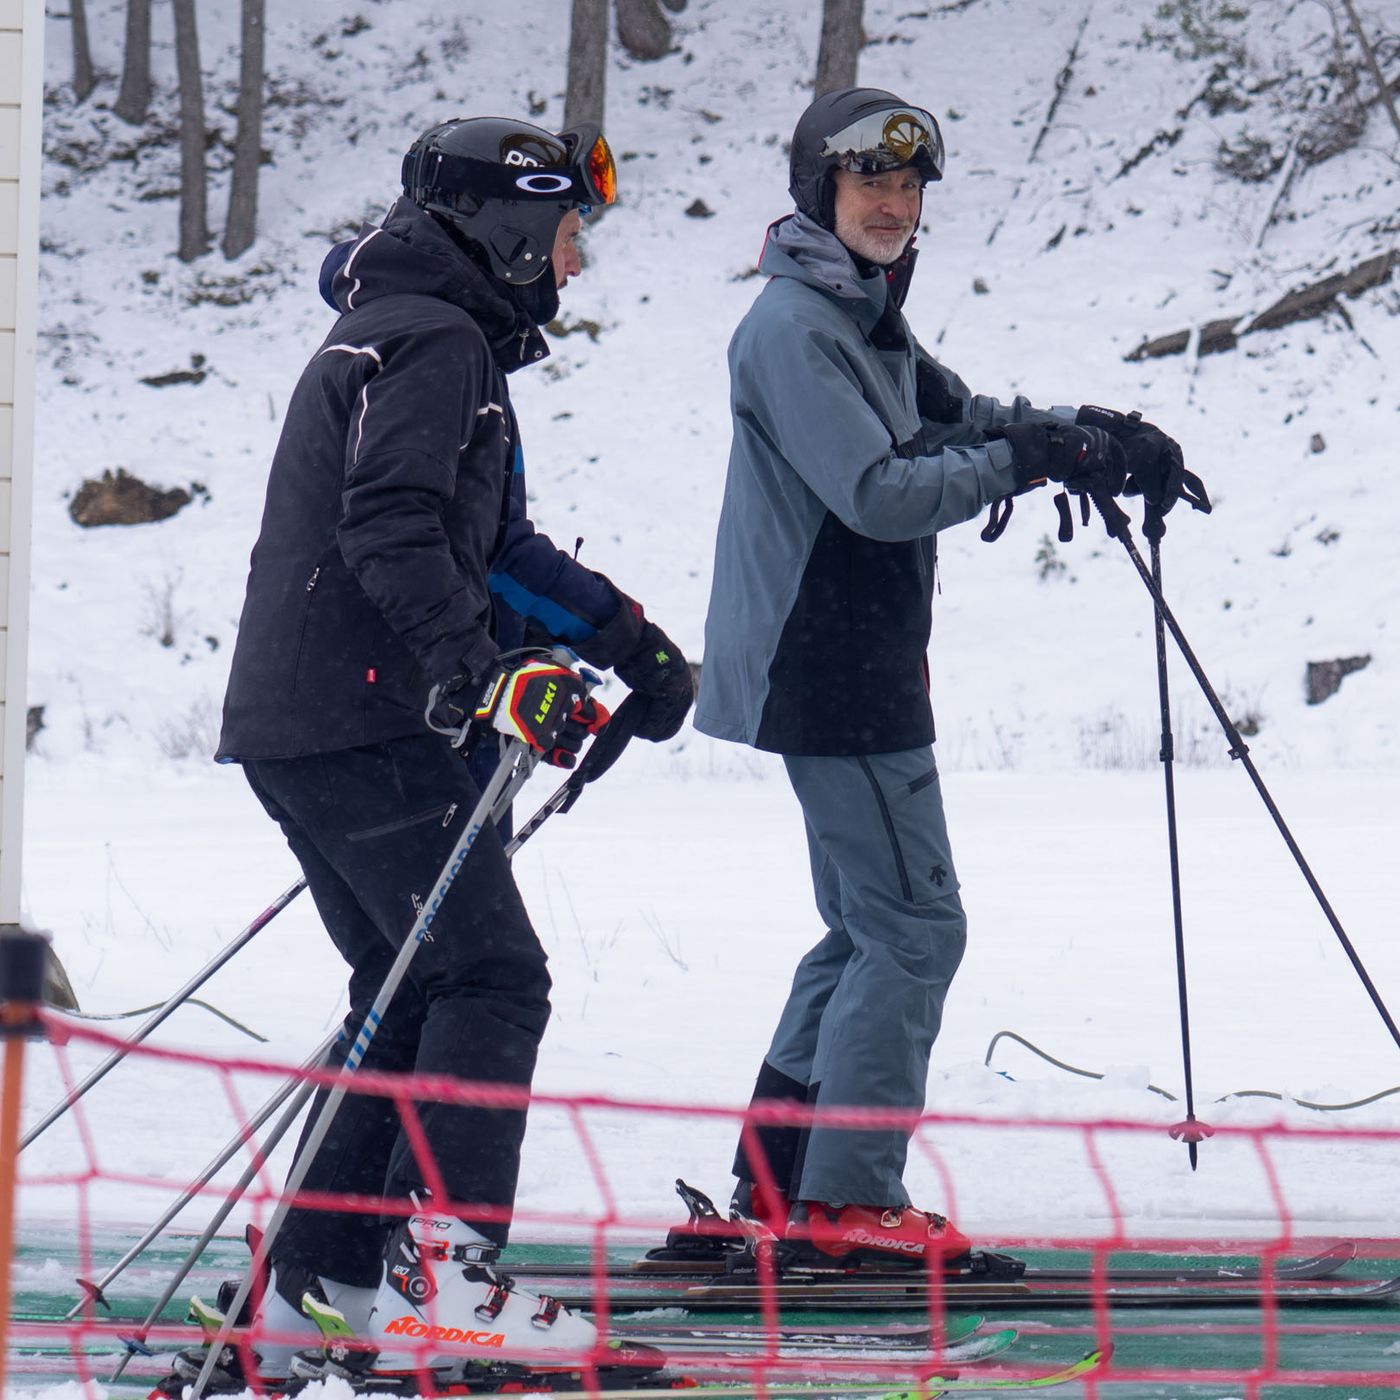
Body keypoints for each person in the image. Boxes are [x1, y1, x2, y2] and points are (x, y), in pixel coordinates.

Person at [212, 115, 692, 1384]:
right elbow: (394, 532)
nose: (575, 263)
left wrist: (619, 638)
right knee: (489, 977)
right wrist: (486, 677)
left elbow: (493, 548)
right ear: (510, 228)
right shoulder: (432, 341)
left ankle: (324, 1287)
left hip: (308, 719)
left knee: (409, 991)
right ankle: (448, 1275)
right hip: (366, 714)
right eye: (568, 232)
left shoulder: (422, 332)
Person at [693, 87, 1195, 1271]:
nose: (890, 204)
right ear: (820, 189)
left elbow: (957, 416)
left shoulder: (854, 310)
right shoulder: (794, 326)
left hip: (841, 657)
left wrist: (1092, 433)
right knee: (915, 928)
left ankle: (780, 1181)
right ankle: (849, 1201)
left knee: (862, 927)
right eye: (869, 182)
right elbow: (876, 492)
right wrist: (1026, 460)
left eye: (908, 187)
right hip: (830, 661)